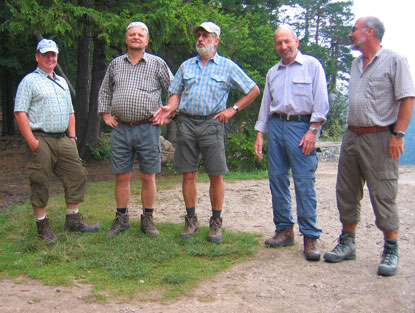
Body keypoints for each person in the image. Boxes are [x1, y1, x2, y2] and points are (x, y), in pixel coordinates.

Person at [153, 21, 260, 243]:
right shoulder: (186, 66)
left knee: (215, 174)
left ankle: (216, 222)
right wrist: (170, 107)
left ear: (216, 41)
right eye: (199, 35)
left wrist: (233, 109)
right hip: (187, 124)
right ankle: (191, 220)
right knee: (188, 173)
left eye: (206, 35)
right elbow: (175, 93)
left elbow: (253, 90)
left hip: (212, 125)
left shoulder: (227, 66)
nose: (200, 39)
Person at [323, 17, 415, 276]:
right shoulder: (355, 63)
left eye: (354, 29)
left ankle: (391, 247)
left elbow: (407, 98)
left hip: (380, 137)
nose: (350, 34)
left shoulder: (395, 60)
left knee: (383, 191)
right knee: (347, 190)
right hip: (352, 135)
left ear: (370, 32)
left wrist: (398, 134)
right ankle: (348, 243)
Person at [254, 25, 329, 261]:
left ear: (296, 41)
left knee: (304, 182)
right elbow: (266, 104)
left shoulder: (312, 66)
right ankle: (284, 230)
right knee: (277, 180)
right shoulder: (272, 72)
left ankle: (310, 237)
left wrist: (312, 130)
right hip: (276, 127)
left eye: (287, 41)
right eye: (279, 43)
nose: (283, 47)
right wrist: (260, 133)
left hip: (302, 127)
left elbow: (321, 101)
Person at [14, 39, 99, 242]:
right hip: (40, 139)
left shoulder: (61, 81)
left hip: (64, 140)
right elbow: (20, 112)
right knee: (40, 181)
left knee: (77, 175)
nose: (50, 58)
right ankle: (42, 226)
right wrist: (32, 142)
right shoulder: (29, 81)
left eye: (53, 55)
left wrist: (72, 137)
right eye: (46, 54)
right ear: (37, 57)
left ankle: (73, 221)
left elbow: (70, 111)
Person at [98, 21, 173, 237]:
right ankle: (121, 219)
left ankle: (147, 219)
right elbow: (104, 91)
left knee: (148, 176)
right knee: (121, 176)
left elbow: (175, 89)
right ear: (126, 38)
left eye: (140, 34)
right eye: (132, 34)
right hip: (121, 128)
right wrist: (105, 114)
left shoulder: (157, 64)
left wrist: (169, 114)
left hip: (148, 127)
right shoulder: (115, 64)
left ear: (147, 40)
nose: (136, 37)